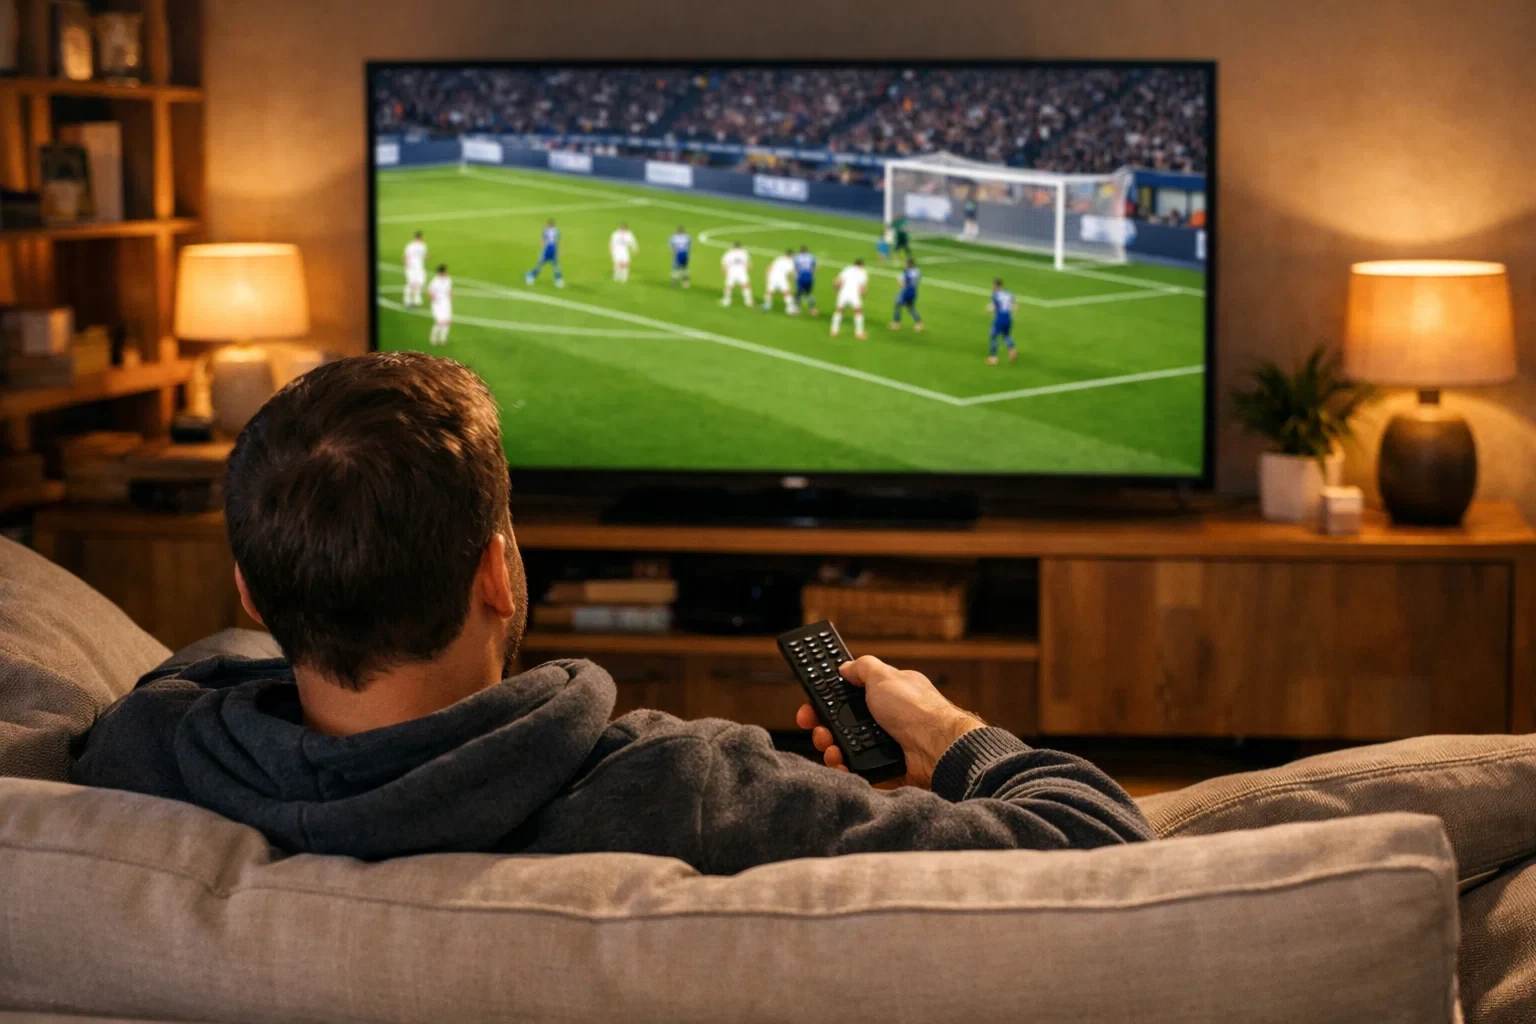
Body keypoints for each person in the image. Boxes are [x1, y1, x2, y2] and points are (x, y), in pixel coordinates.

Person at [70, 352, 1152, 873]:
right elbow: (1104, 851)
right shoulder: (689, 789)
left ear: (252, 591)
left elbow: (203, 675)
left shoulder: (143, 754)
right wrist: (949, 734)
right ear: (497, 570)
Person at [830, 258, 869, 339]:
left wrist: (836, 289)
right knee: (858, 312)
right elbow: (863, 288)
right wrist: (863, 294)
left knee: (839, 311)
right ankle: (858, 333)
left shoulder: (847, 269)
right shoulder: (863, 272)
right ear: (861, 265)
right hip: (854, 294)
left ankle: (834, 331)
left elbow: (837, 282)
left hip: (843, 293)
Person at [524, 219, 564, 288]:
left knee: (554, 266)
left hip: (550, 250)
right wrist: (558, 250)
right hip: (549, 250)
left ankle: (558, 280)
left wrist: (543, 250)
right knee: (552, 266)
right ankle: (530, 276)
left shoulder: (548, 231)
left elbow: (544, 241)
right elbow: (553, 242)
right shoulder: (554, 231)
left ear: (549, 224)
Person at [986, 278, 1017, 365]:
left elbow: (994, 308)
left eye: (993, 285)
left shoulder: (995, 295)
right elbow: (1014, 306)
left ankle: (993, 358)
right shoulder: (1009, 293)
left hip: (1000, 318)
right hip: (1008, 318)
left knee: (993, 336)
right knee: (1006, 335)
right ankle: (1012, 349)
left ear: (996, 286)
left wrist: (989, 309)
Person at [890, 258, 923, 332]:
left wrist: (899, 282)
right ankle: (919, 323)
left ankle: (896, 323)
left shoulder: (906, 272)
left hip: (906, 292)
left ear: (909, 265)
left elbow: (903, 284)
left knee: (897, 305)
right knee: (911, 308)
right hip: (913, 292)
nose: (904, 265)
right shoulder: (917, 271)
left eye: (906, 264)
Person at [762, 248, 797, 314]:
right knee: (787, 292)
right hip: (781, 279)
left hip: (772, 277)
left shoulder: (779, 258)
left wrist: (766, 275)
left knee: (769, 291)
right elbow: (792, 274)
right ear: (791, 255)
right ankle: (789, 309)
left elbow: (770, 267)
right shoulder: (792, 262)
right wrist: (796, 278)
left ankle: (767, 305)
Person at [720, 242, 753, 307]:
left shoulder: (729, 253)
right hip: (741, 272)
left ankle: (726, 301)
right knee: (746, 286)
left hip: (732, 272)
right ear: (740, 247)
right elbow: (748, 264)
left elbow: (724, 264)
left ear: (733, 247)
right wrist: (745, 270)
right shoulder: (744, 253)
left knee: (729, 286)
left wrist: (725, 272)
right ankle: (748, 302)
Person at [426, 264, 452, 346]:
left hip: (446, 302)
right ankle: (433, 336)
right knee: (440, 322)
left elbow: (449, 289)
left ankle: (443, 338)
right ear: (442, 272)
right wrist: (433, 299)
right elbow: (430, 291)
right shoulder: (435, 281)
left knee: (447, 321)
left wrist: (451, 295)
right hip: (437, 304)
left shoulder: (448, 279)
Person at [402, 231, 428, 307]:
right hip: (411, 267)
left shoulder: (423, 245)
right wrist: (406, 264)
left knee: (421, 282)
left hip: (419, 267)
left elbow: (422, 255)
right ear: (418, 237)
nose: (422, 239)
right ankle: (407, 300)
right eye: (421, 237)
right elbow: (405, 255)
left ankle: (417, 298)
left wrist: (427, 257)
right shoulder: (410, 245)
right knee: (411, 283)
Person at [792, 245, 818, 315]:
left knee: (798, 293)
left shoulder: (797, 257)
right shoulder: (811, 256)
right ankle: (813, 310)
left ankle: (796, 309)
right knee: (808, 293)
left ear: (800, 251)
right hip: (809, 277)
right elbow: (815, 267)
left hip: (801, 277)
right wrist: (812, 274)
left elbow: (795, 268)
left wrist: (794, 276)